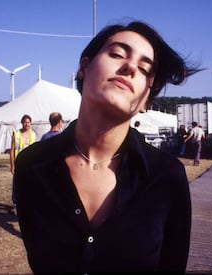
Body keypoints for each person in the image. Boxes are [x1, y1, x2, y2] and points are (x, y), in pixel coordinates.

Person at [14, 21, 201, 273]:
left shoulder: (167, 176)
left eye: (145, 69)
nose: (131, 66)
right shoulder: (32, 165)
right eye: (117, 54)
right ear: (83, 67)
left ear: (146, 100)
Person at [10, 114, 36, 211]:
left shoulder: (33, 134)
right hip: (18, 163)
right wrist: (12, 165)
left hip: (29, 163)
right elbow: (12, 150)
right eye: (25, 122)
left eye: (28, 122)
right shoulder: (16, 134)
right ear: (22, 123)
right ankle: (16, 204)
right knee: (17, 184)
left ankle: (27, 204)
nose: (27, 124)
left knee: (28, 184)